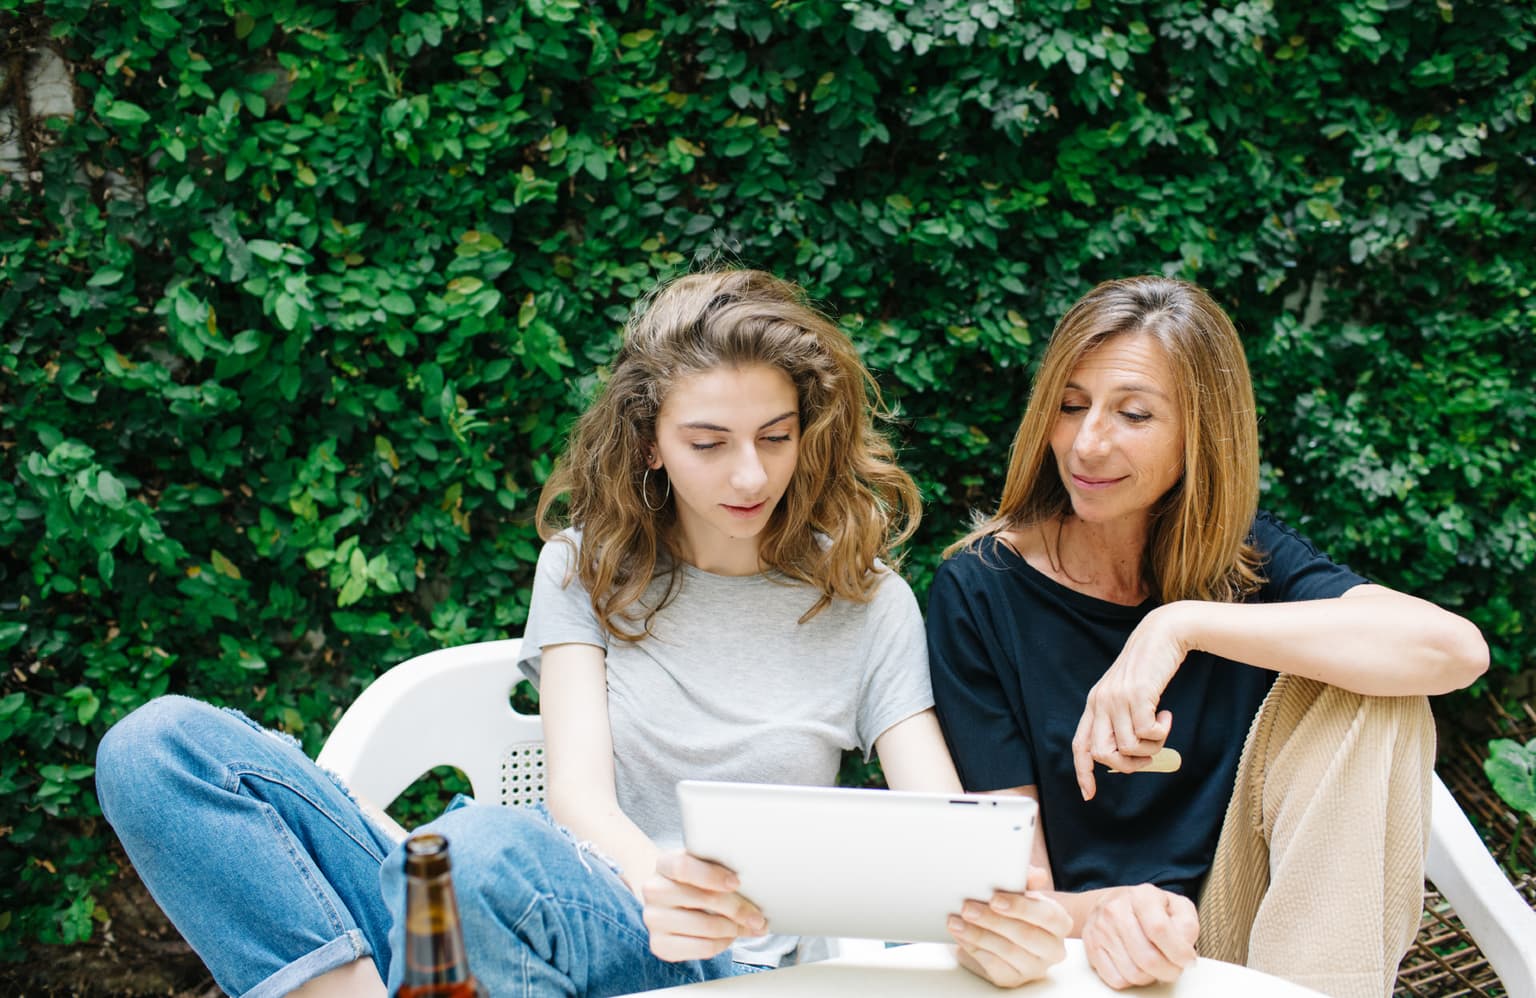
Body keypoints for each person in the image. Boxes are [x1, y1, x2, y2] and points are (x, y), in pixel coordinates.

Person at [96, 269, 1071, 998]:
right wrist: (656, 878)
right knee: (158, 747)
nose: (750, 474)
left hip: (715, 960)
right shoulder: (584, 566)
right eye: (709, 442)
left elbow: (935, 821)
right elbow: (577, 797)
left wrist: (994, 912)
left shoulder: (865, 599)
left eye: (775, 436)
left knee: (470, 855)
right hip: (576, 899)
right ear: (650, 443)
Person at [924, 275, 1489, 998]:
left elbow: (1453, 651)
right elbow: (1012, 892)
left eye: (1133, 414)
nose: (1087, 444)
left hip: (1250, 939)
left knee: (1375, 694)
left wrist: (1178, 625)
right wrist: (1111, 912)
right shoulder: (982, 588)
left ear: (1201, 433)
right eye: (1070, 406)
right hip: (1080, 950)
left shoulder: (1250, 562)